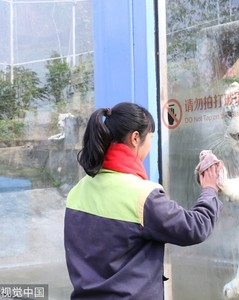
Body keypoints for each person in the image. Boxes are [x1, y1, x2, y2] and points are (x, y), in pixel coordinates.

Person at [64, 102, 222, 300]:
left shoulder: (77, 191)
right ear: (135, 138)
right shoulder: (142, 196)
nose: (150, 146)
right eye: (151, 139)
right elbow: (195, 227)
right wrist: (209, 189)